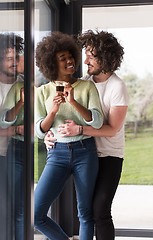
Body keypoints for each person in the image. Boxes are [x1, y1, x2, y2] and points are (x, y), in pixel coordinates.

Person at [45, 30, 130, 240]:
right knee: (87, 212)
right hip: (86, 153)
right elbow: (64, 114)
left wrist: (80, 130)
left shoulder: (117, 87)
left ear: (106, 57)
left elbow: (112, 129)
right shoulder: (85, 82)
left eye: (91, 56)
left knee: (101, 210)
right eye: (86, 55)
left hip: (110, 156)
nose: (86, 60)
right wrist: (50, 134)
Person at [34, 31, 103, 240]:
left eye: (70, 56)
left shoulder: (87, 86)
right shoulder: (42, 92)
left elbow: (97, 121)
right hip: (57, 154)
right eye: (62, 58)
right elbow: (39, 130)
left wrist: (73, 102)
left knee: (85, 213)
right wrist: (53, 112)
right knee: (36, 215)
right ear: (52, 64)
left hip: (85, 151)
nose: (69, 61)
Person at [0, 33, 24, 240]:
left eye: (17, 57)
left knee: (19, 210)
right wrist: (16, 130)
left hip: (19, 154)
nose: (15, 63)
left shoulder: (26, 85)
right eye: (9, 59)